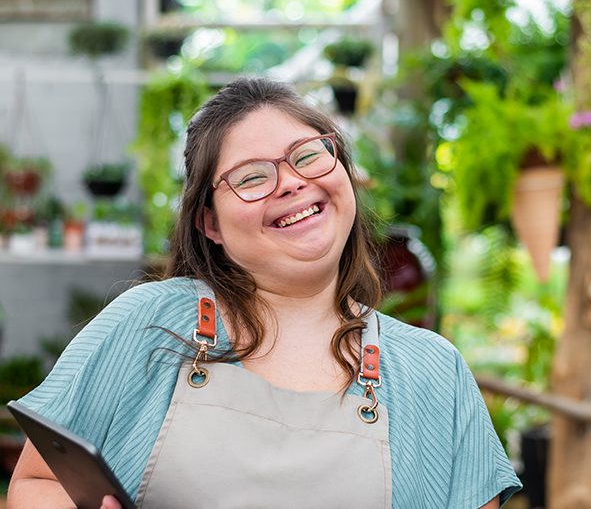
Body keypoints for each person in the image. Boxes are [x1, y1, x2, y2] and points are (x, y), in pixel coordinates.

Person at [8, 77, 521, 508]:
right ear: (210, 223)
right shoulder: (148, 323)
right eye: (252, 177)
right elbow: (36, 482)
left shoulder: (432, 372)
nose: (292, 183)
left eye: (308, 155)